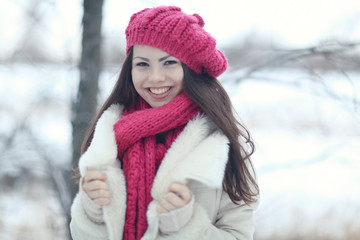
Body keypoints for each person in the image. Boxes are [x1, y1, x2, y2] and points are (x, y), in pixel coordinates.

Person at [70, 5, 259, 240]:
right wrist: (92, 212)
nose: (155, 77)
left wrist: (185, 225)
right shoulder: (109, 137)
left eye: (169, 63)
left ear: (189, 68)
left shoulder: (221, 142)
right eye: (142, 64)